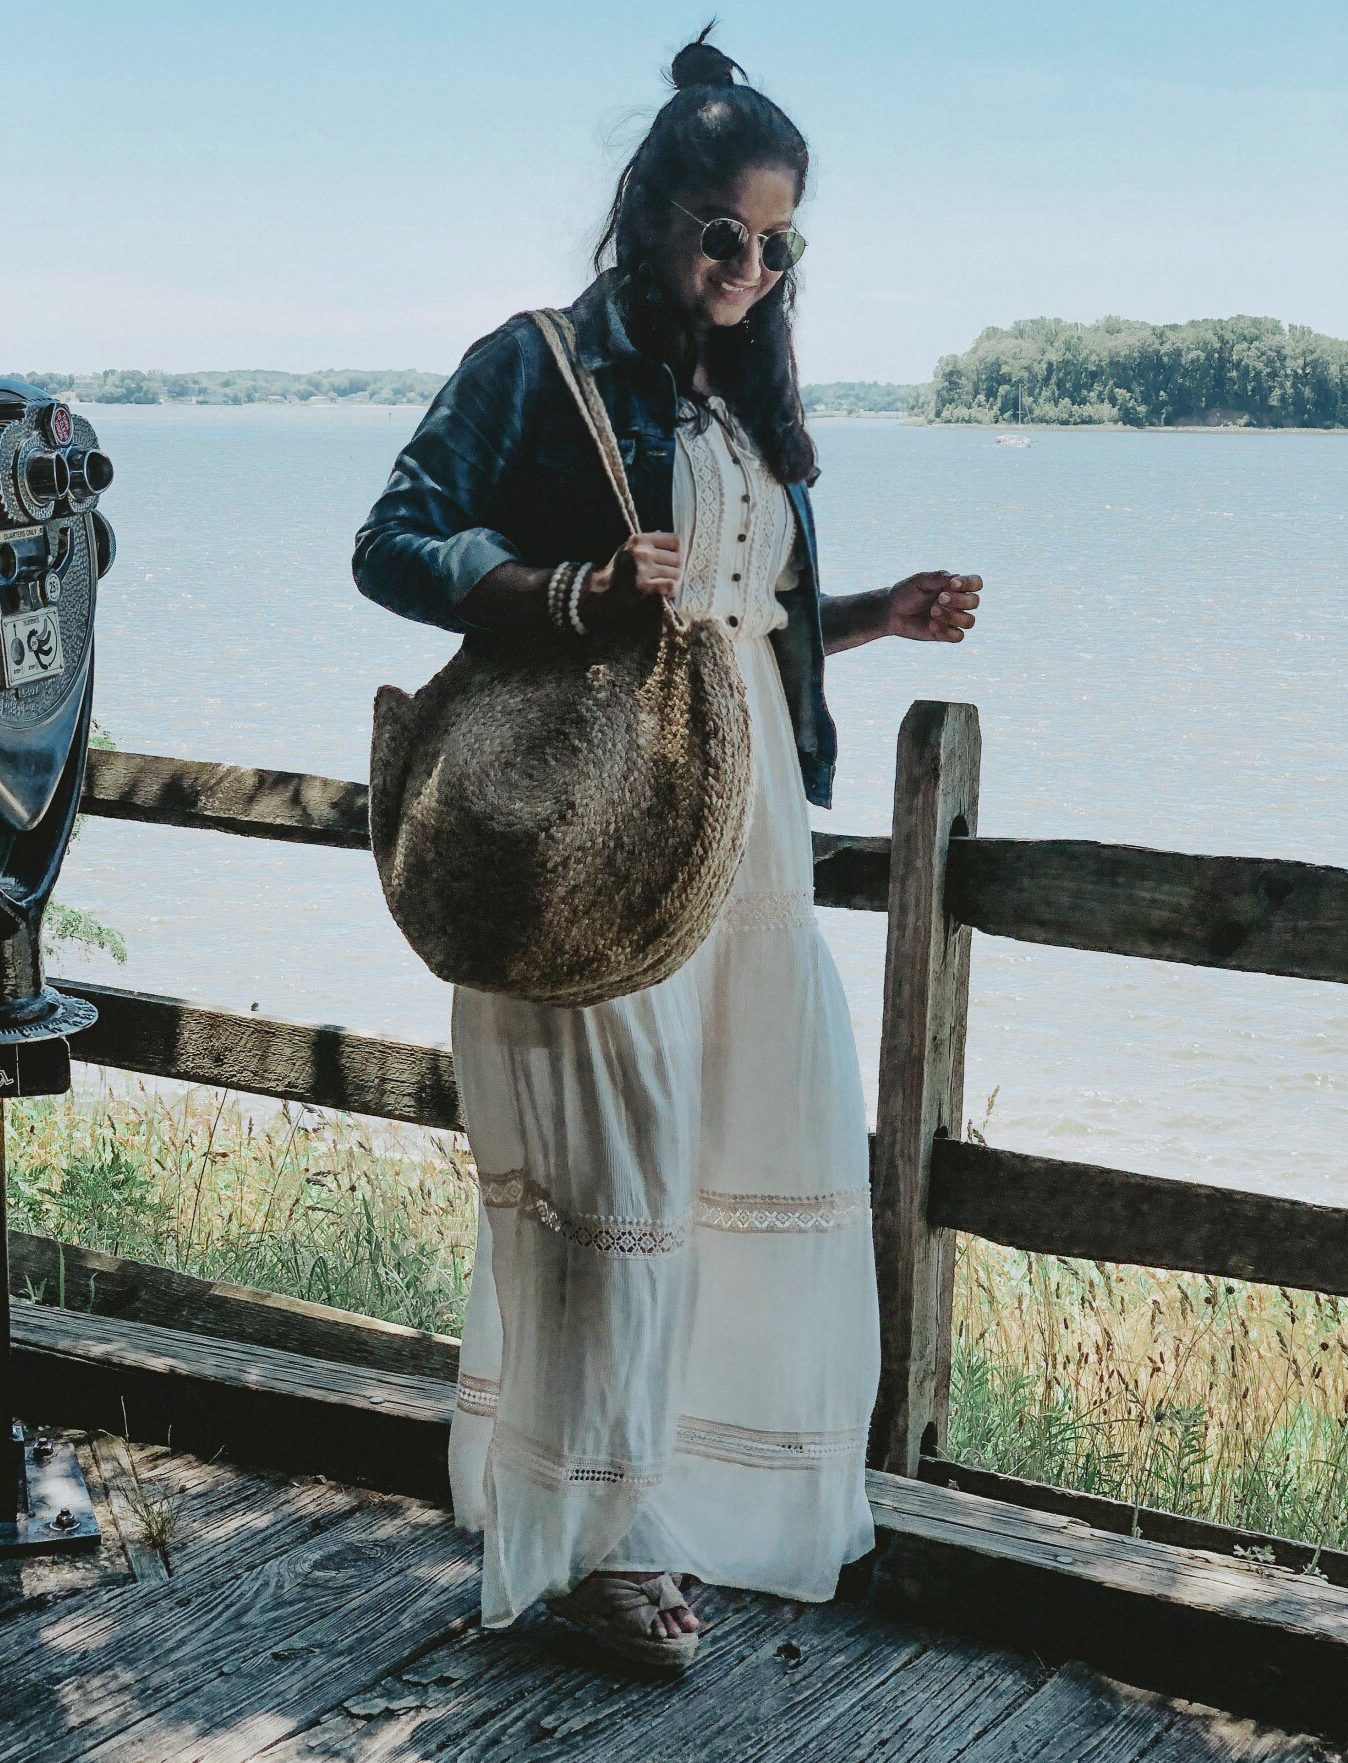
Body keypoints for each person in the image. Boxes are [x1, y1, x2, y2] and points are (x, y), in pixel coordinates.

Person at [353, 25, 982, 1671]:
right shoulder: (535, 359)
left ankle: (657, 1504)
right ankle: (595, 1535)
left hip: (744, 837)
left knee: (711, 1182)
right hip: (595, 841)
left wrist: (865, 618)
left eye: (778, 245)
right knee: (606, 1190)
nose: (748, 267)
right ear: (650, 209)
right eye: (723, 232)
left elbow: (735, 624)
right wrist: (567, 589)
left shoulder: (746, 385)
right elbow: (392, 540)